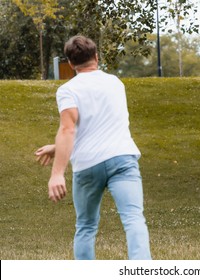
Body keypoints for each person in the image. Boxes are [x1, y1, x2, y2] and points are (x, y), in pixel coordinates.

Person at [35, 35, 152, 259]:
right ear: (96, 57)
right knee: (134, 219)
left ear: (70, 64)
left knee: (86, 227)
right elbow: (99, 122)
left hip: (88, 165)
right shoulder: (116, 83)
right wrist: (56, 146)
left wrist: (57, 173)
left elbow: (69, 129)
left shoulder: (68, 90)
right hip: (122, 158)